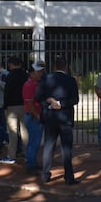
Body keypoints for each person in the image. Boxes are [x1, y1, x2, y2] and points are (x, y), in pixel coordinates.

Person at [36, 55, 80, 185]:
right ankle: (68, 176)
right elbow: (75, 100)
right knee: (66, 148)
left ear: (55, 66)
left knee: (49, 146)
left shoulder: (46, 79)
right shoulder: (71, 80)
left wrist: (49, 102)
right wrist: (61, 104)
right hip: (65, 117)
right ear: (66, 67)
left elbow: (38, 96)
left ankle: (45, 175)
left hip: (50, 117)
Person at [3, 56, 28, 165]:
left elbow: (7, 91)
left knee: (12, 133)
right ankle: (28, 154)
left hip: (12, 106)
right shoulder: (26, 75)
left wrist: (5, 105)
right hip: (25, 105)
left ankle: (11, 155)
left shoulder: (10, 76)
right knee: (25, 132)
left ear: (12, 65)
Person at [22, 61, 46, 174]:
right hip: (33, 116)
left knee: (35, 141)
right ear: (32, 73)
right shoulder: (29, 85)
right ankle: (30, 164)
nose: (41, 74)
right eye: (39, 72)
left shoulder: (36, 83)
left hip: (34, 115)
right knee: (33, 142)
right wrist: (37, 115)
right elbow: (30, 104)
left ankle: (32, 163)